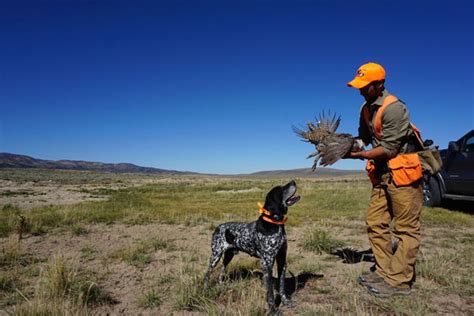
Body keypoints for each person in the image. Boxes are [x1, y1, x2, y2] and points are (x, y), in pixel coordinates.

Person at [344, 62, 424, 298]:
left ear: (379, 85)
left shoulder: (394, 108)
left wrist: (358, 155)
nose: (360, 91)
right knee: (375, 221)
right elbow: (364, 139)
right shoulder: (366, 108)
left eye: (365, 87)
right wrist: (339, 145)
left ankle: (399, 281)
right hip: (381, 172)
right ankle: (385, 270)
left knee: (405, 228)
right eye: (359, 86)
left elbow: (389, 148)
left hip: (403, 170)